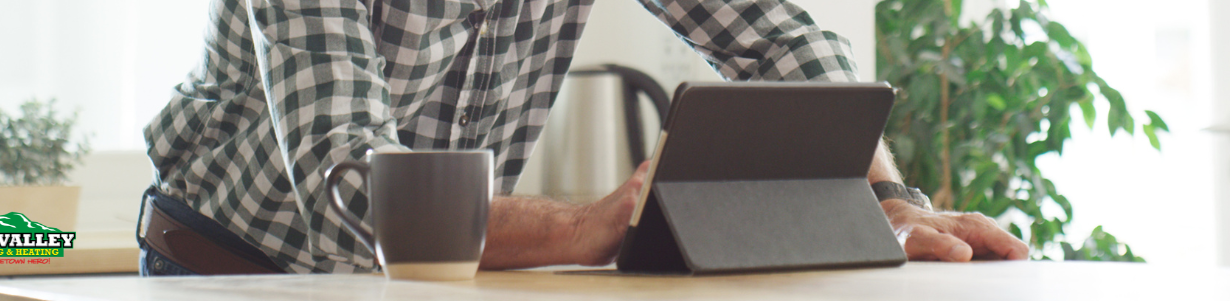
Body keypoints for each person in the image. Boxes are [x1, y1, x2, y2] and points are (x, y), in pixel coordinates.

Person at [138, 0, 1029, 275]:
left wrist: (888, 202)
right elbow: (357, 186)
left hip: (422, 287)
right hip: (230, 272)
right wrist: (576, 228)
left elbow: (785, 41)